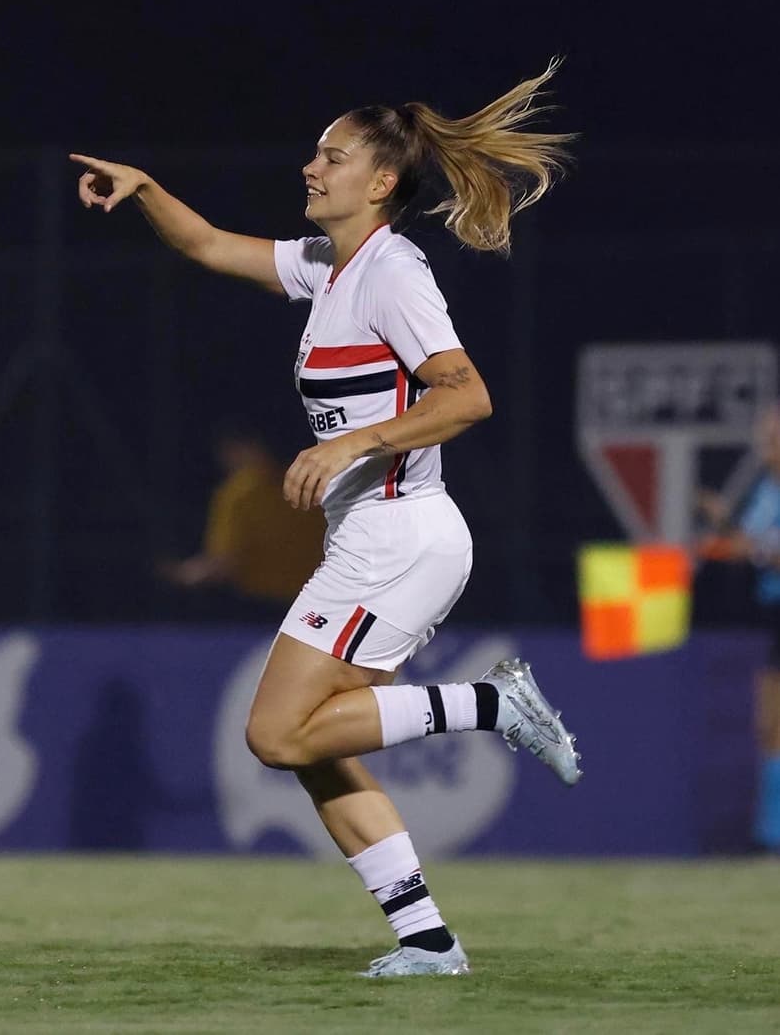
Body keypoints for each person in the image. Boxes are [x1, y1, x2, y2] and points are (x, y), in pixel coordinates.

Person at [71, 58, 582, 978]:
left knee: (274, 734)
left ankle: (494, 703)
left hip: (398, 537)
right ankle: (428, 941)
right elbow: (211, 247)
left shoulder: (392, 271)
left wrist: (351, 444)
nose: (312, 168)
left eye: (333, 156)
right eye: (315, 153)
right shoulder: (327, 268)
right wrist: (145, 186)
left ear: (381, 182)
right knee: (316, 747)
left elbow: (467, 396)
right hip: (383, 540)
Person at [696, 403, 780, 851]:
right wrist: (723, 527)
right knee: (769, 727)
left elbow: (762, 549)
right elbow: (752, 544)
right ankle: (771, 837)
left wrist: (750, 548)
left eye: (772, 438)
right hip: (772, 614)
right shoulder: (768, 489)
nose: (765, 447)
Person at [157, 422, 325, 614]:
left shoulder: (241, 492)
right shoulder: (311, 484)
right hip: (316, 604)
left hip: (258, 609)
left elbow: (224, 563)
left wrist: (182, 575)